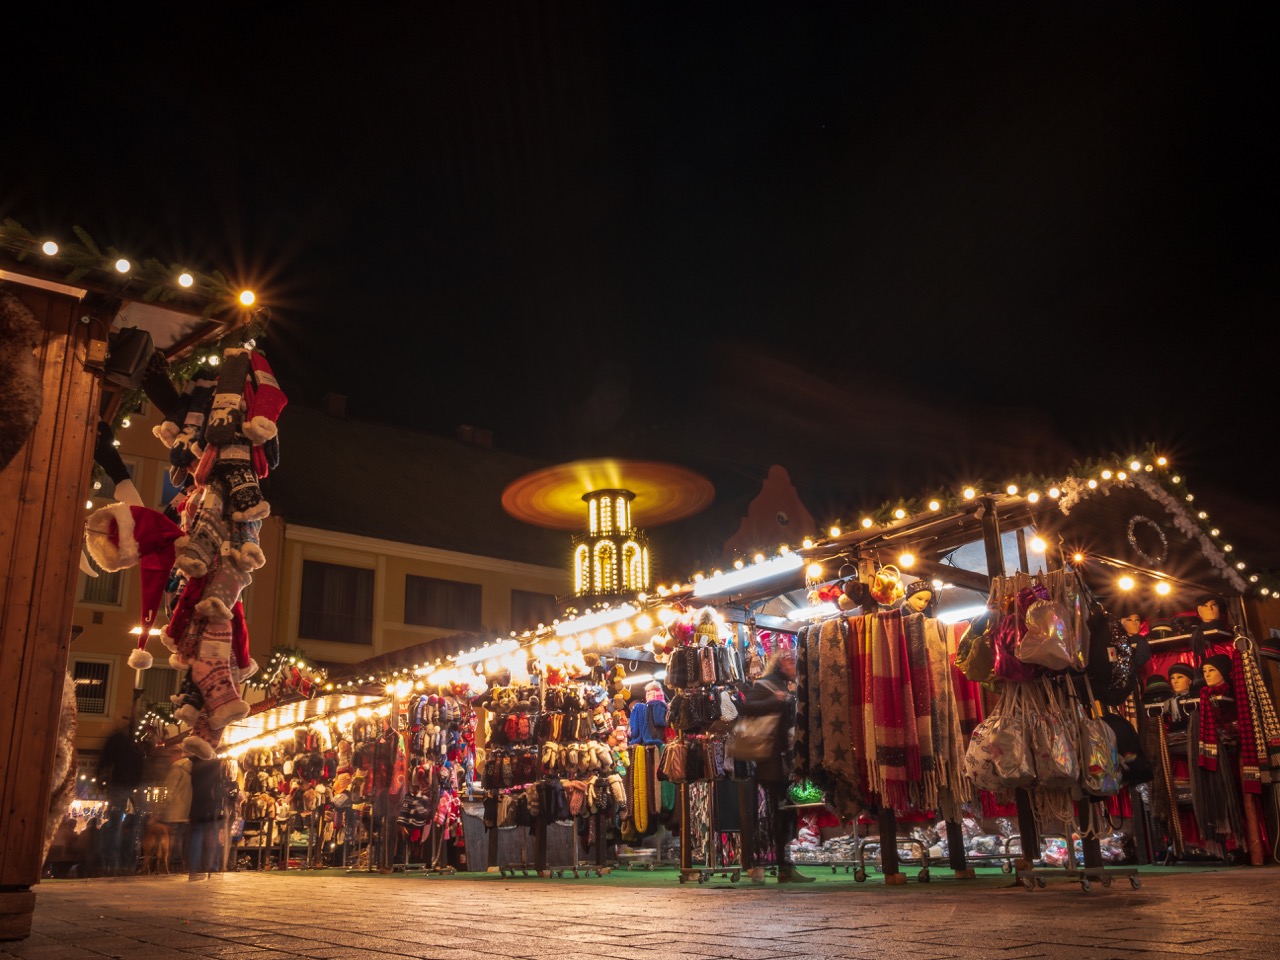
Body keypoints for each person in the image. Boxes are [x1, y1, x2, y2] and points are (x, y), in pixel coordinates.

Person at [737, 647, 813, 883]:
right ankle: (773, 865)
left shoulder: (787, 686)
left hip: (784, 762)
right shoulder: (766, 684)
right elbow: (746, 707)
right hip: (770, 763)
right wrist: (775, 700)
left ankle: (784, 866)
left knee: (786, 814)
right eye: (792, 663)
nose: (794, 668)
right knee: (776, 815)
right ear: (782, 663)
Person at [187, 755, 226, 880]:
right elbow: (218, 786)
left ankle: (194, 869)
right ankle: (212, 867)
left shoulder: (193, 764)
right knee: (212, 837)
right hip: (210, 805)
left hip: (196, 805)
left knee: (197, 836)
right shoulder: (214, 764)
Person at [162, 755, 194, 872]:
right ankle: (180, 864)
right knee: (181, 838)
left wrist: (162, 807)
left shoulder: (177, 767)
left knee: (173, 839)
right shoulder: (193, 768)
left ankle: (174, 865)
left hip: (174, 811)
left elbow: (169, 790)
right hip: (187, 811)